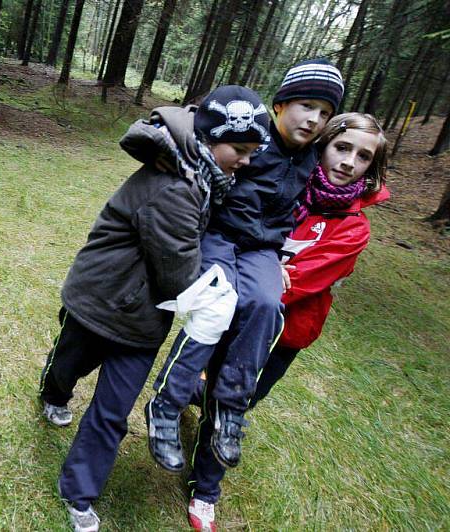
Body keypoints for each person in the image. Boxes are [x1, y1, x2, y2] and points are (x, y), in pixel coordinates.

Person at [39, 85, 270, 532]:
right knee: (69, 365)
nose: (246, 160)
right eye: (239, 149)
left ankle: (78, 494)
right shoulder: (175, 189)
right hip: (100, 302)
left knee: (111, 411)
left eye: (252, 151)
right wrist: (220, 299)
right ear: (208, 140)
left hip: (143, 319)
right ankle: (53, 392)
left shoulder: (204, 177)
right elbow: (179, 275)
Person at [185, 112, 389, 531]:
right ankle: (206, 482)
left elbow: (299, 280)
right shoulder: (282, 186)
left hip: (287, 333)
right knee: (223, 397)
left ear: (372, 167)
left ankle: (204, 460)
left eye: (364, 156)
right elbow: (237, 230)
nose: (350, 161)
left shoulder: (353, 228)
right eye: (342, 147)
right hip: (242, 316)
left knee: (238, 403)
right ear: (323, 144)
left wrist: (261, 266)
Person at [144, 59, 345, 480]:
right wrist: (161, 131)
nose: (314, 118)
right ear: (279, 105)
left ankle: (231, 409)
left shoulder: (312, 156)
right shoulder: (252, 133)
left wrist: (288, 258)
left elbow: (348, 177)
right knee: (218, 300)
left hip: (263, 251)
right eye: (306, 105)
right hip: (220, 236)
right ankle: (168, 401)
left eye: (325, 113)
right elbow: (197, 126)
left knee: (268, 306)